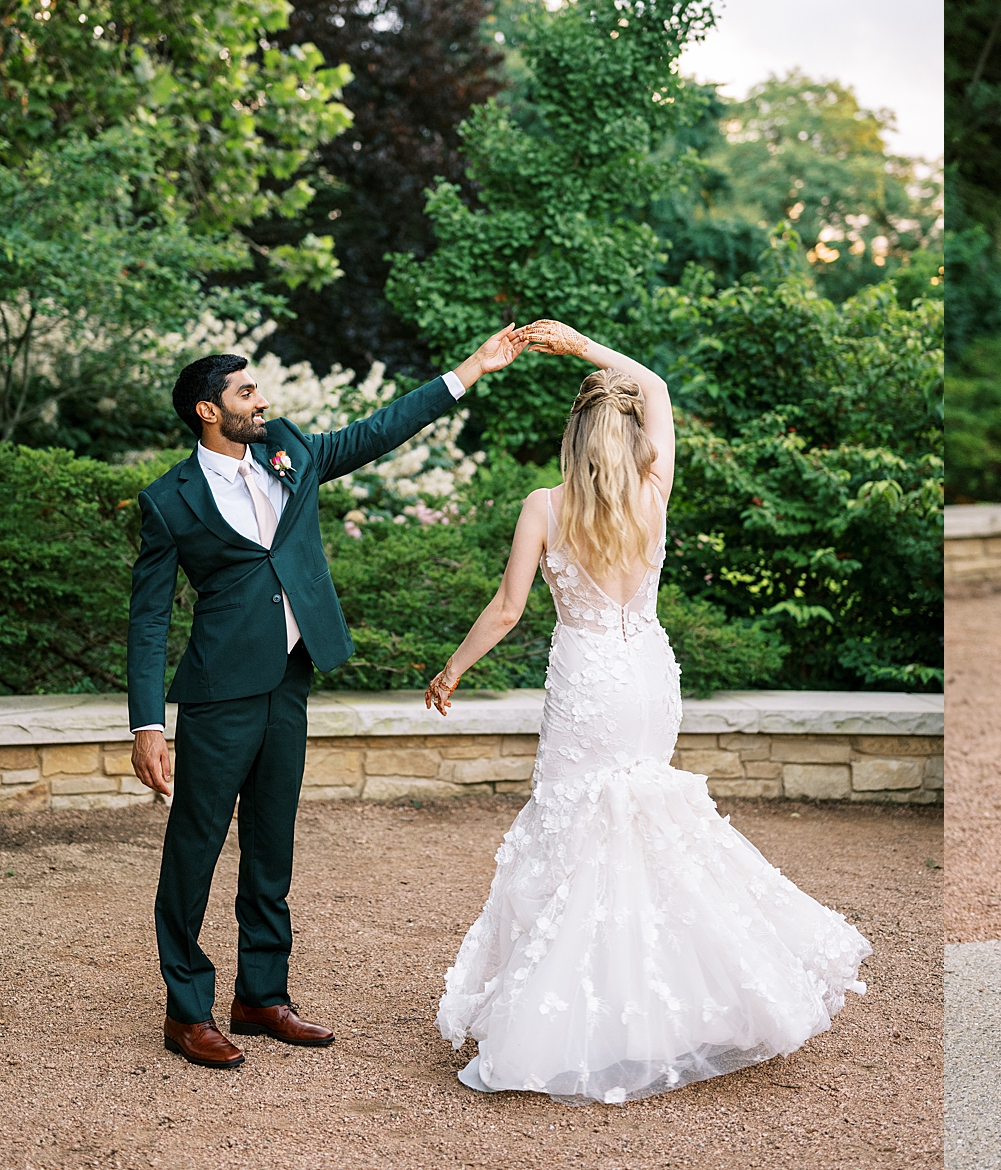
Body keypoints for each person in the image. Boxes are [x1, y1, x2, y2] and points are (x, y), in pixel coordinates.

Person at [429, 318, 871, 1105]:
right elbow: (657, 386)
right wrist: (581, 345)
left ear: (573, 438)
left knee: (575, 831)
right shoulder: (653, 492)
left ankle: (587, 1016)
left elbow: (506, 610)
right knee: (648, 827)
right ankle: (679, 1000)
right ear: (631, 435)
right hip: (647, 675)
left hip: (586, 683)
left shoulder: (544, 507)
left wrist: (452, 669)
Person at [128, 325, 532, 1069]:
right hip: (217, 693)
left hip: (290, 678)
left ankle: (261, 996)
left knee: (271, 843)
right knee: (195, 848)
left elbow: (377, 431)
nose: (262, 401)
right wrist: (147, 724)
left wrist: (472, 369)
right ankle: (186, 1011)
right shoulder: (167, 501)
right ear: (209, 411)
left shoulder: (287, 448)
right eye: (246, 391)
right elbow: (149, 617)